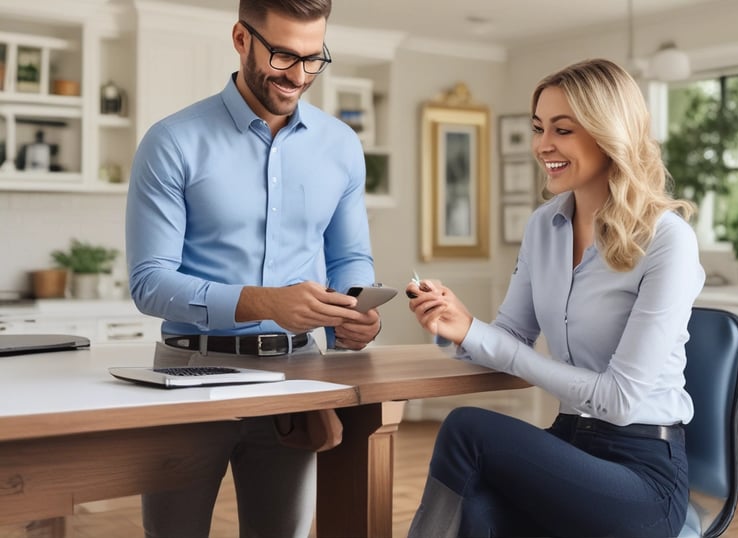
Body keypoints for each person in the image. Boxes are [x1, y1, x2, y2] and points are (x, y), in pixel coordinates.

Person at [405, 58, 704, 538]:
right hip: (569, 448)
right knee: (477, 511)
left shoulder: (668, 240)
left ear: (610, 134)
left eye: (562, 130)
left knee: (466, 429)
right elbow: (510, 336)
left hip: (643, 476)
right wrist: (453, 324)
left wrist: (487, 340)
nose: (543, 145)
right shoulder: (543, 227)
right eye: (539, 127)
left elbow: (621, 400)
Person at [125, 1, 382, 536]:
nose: (299, 76)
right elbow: (150, 284)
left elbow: (349, 257)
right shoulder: (172, 141)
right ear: (242, 39)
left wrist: (353, 313)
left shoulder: (340, 147)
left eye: (314, 59)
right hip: (189, 375)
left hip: (298, 375)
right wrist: (266, 302)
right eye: (284, 55)